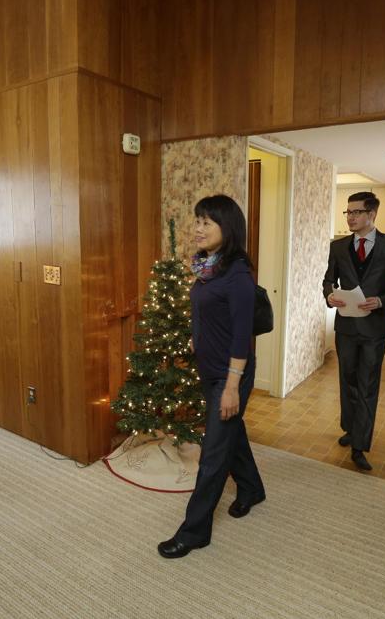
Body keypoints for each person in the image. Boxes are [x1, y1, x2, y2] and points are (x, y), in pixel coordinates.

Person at [158, 195, 265, 559]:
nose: (198, 228)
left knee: (213, 455)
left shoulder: (238, 275)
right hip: (210, 369)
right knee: (231, 433)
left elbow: (241, 337)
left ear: (227, 228)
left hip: (230, 375)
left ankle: (194, 532)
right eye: (197, 221)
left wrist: (232, 387)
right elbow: (207, 314)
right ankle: (251, 489)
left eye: (207, 222)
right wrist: (198, 338)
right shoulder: (207, 268)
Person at [323, 192, 385, 470]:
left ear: (371, 214)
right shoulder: (338, 247)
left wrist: (382, 301)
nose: (350, 217)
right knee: (347, 380)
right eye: (348, 212)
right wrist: (329, 296)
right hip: (346, 327)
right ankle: (351, 428)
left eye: (356, 212)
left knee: (367, 385)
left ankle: (360, 445)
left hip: (375, 329)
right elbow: (328, 280)